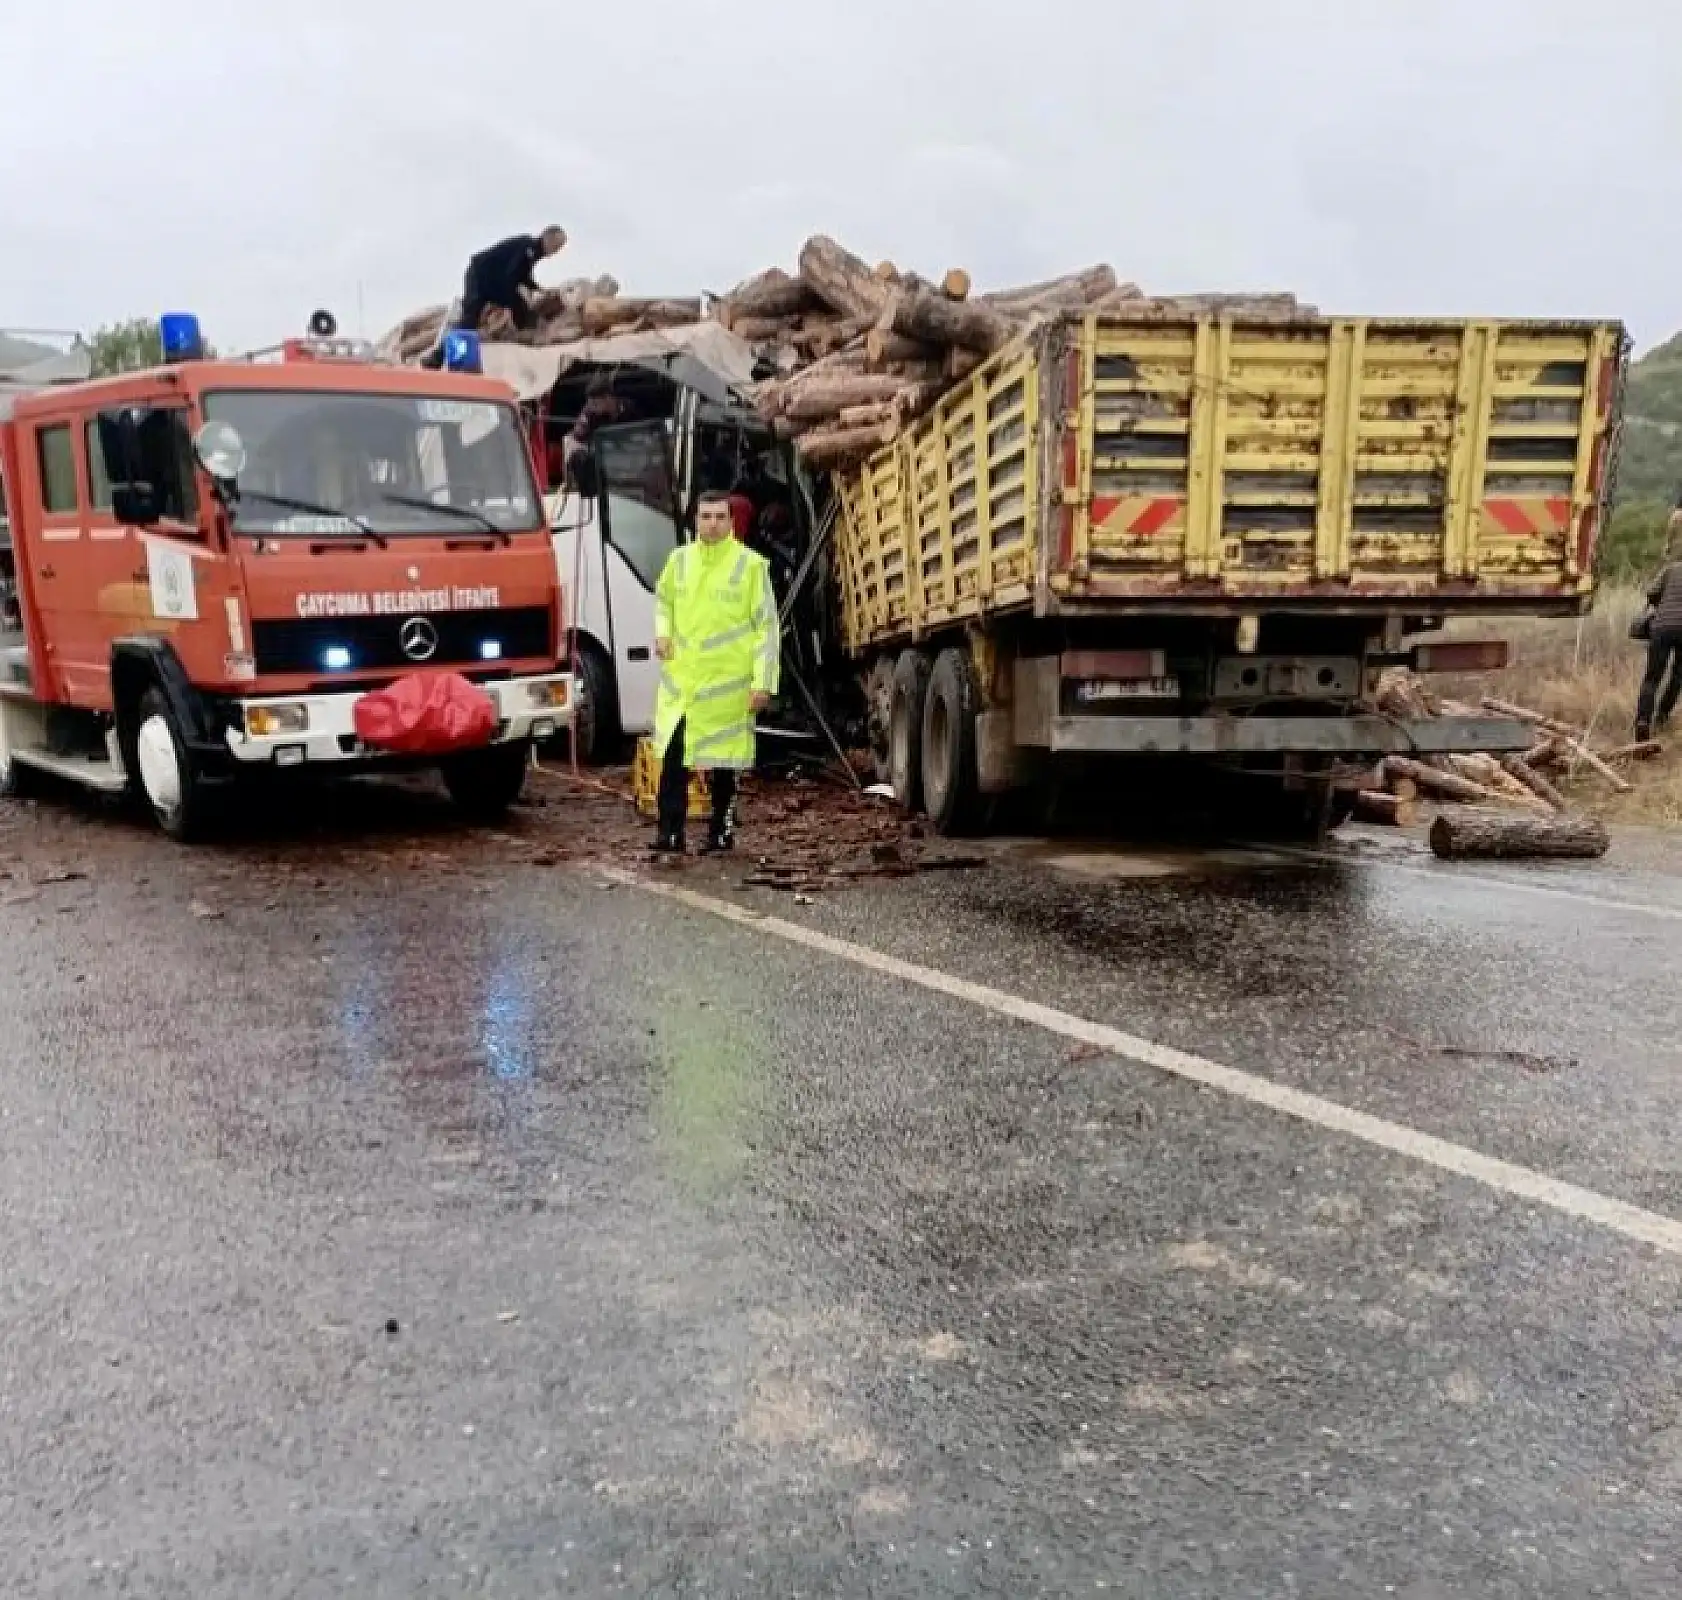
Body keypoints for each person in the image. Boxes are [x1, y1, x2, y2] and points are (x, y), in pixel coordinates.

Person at [651, 491, 780, 855]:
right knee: (674, 758)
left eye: (719, 516)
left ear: (731, 521)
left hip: (728, 688)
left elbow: (766, 630)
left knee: (726, 764)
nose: (712, 523)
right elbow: (664, 601)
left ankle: (721, 831)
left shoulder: (750, 566)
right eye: (705, 516)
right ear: (695, 520)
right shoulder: (678, 561)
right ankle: (670, 833)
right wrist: (662, 633)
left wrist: (763, 682)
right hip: (685, 687)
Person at [423, 226, 567, 365]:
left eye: (560, 247)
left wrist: (538, 289)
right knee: (469, 320)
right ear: (547, 237)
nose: (557, 250)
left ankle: (525, 335)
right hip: (480, 276)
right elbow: (511, 277)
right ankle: (438, 358)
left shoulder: (533, 252)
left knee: (520, 307)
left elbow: (521, 276)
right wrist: (511, 306)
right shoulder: (528, 247)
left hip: (494, 281)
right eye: (557, 245)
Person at [1635, 545, 1682, 740]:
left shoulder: (1671, 569)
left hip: (1661, 627)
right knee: (1678, 676)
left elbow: (1651, 593)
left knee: (1652, 677)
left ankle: (1643, 720)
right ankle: (1662, 716)